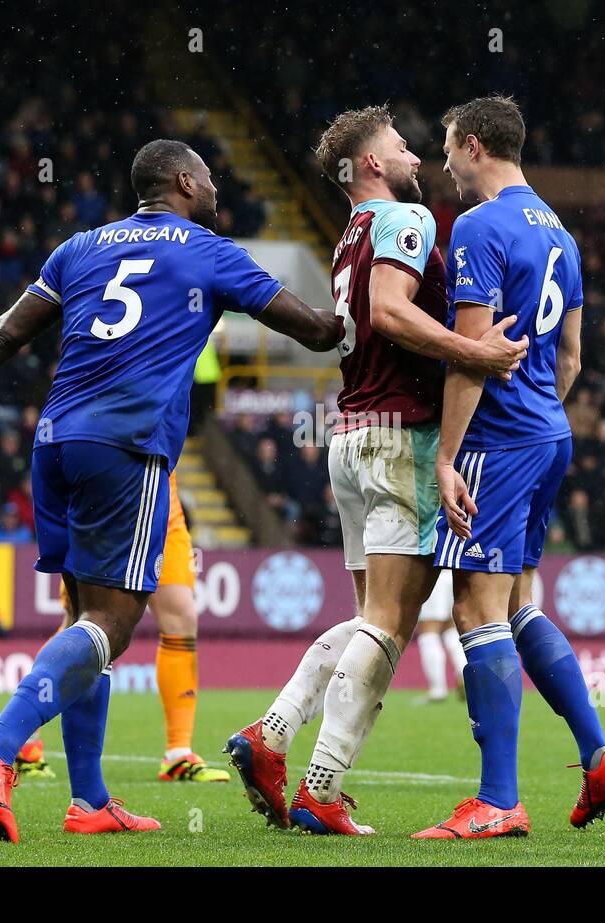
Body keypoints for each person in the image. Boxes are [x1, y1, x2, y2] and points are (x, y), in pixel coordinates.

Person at [0, 139, 342, 843]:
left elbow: (1, 334)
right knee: (113, 623)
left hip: (56, 442)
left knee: (86, 618)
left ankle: (89, 800)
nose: (214, 189)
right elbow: (318, 331)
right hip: (127, 445)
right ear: (183, 181)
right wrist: (373, 314)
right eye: (207, 178)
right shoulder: (210, 250)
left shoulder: (79, 247)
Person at [223, 106, 524, 835]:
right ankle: (316, 784)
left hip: (353, 434)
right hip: (400, 440)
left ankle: (273, 734)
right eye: (397, 146)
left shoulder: (347, 239)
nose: (414, 154)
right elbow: (389, 313)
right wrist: (472, 349)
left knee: (371, 618)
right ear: (369, 165)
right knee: (389, 624)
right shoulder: (404, 222)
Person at [415, 97, 605, 840]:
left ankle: (498, 800)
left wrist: (449, 456)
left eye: (447, 149)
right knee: (516, 606)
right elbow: (570, 357)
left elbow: (471, 352)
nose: (443, 164)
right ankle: (598, 753)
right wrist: (541, 411)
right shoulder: (561, 234)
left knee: (476, 610)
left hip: (498, 443)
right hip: (548, 433)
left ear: (474, 145)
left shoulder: (479, 226)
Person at [16, 472, 230, 784]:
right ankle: (25, 740)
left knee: (182, 618)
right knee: (81, 622)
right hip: (111, 492)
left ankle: (178, 754)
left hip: (160, 500)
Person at [414, 569, 466, 702]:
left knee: (429, 631)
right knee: (451, 629)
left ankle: (438, 689)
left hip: (434, 574)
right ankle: (465, 673)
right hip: (455, 574)